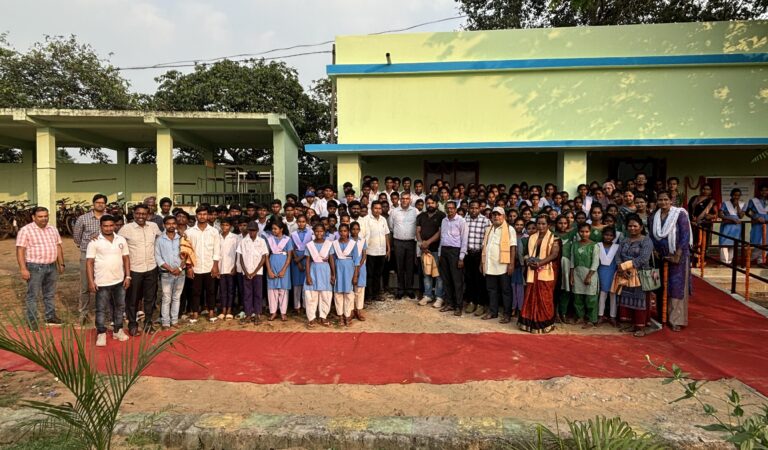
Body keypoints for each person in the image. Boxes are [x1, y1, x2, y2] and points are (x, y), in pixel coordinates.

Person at [650, 191, 692, 332]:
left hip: (677, 257)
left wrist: (678, 254)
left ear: (671, 200)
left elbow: (685, 236)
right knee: (660, 286)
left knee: (676, 287)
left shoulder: (680, 214)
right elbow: (651, 235)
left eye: (665, 199)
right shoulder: (653, 217)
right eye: (660, 200)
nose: (663, 202)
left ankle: (675, 319)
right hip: (659, 257)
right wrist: (654, 251)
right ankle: (662, 316)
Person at [86, 215, 131, 346]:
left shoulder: (121, 239)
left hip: (119, 281)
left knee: (120, 307)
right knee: (100, 309)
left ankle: (118, 330)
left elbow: (126, 258)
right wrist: (90, 281)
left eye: (111, 225)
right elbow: (89, 262)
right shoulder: (94, 242)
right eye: (105, 226)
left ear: (115, 226)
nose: (108, 228)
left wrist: (127, 276)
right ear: (100, 226)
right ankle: (101, 333)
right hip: (102, 282)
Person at [16, 207, 64, 329]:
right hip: (34, 267)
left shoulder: (52, 229)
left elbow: (58, 246)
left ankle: (50, 317)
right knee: (33, 295)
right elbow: (20, 250)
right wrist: (23, 269)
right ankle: (32, 321)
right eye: (40, 216)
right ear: (33, 217)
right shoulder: (26, 230)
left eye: (45, 216)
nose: (44, 219)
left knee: (49, 294)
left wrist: (61, 263)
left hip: (51, 266)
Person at [118, 203, 161, 335]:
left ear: (148, 215)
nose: (141, 216)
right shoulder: (126, 229)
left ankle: (148, 323)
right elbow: (116, 244)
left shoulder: (153, 227)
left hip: (151, 268)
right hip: (134, 269)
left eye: (143, 214)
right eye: (138, 213)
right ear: (134, 214)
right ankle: (132, 324)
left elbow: (162, 240)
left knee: (150, 298)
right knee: (132, 299)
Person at [519, 215, 559, 333]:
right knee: (530, 296)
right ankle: (529, 323)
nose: (541, 226)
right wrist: (527, 261)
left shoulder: (554, 238)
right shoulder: (532, 237)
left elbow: (554, 254)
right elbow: (526, 253)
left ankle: (545, 323)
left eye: (543, 224)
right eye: (539, 224)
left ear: (548, 225)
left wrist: (540, 263)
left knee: (545, 297)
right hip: (532, 270)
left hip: (546, 271)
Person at [616, 214, 655, 337]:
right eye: (630, 226)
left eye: (635, 226)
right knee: (627, 299)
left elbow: (643, 258)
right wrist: (621, 268)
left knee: (640, 300)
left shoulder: (646, 240)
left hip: (640, 274)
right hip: (625, 275)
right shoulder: (624, 240)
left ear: (641, 227)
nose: (632, 228)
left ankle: (640, 327)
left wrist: (628, 266)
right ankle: (631, 324)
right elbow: (618, 256)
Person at [72, 194, 107, 325]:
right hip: (86, 255)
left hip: (105, 255)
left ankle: (102, 312)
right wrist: (87, 245)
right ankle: (83, 312)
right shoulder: (83, 218)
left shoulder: (108, 218)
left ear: (105, 205)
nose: (100, 205)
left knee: (103, 284)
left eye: (102, 203)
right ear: (93, 204)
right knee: (85, 285)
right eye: (97, 202)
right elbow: (76, 236)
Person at [185, 206, 221, 324]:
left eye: (204, 214)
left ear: (208, 216)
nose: (202, 216)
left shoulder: (214, 231)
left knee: (211, 290)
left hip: (209, 265)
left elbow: (217, 250)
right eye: (200, 214)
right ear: (196, 216)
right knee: (195, 291)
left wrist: (215, 265)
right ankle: (195, 312)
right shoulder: (189, 232)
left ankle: (211, 311)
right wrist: (189, 267)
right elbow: (187, 251)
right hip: (195, 267)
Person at [481, 207, 516, 322]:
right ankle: (493, 312)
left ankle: (507, 314)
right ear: (491, 217)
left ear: (504, 216)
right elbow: (484, 247)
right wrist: (482, 263)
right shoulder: (489, 229)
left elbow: (513, 247)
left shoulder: (510, 229)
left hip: (503, 265)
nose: (496, 217)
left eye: (499, 214)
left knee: (505, 290)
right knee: (491, 289)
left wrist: (511, 264)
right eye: (494, 214)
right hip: (490, 264)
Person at [438, 201, 469, 316]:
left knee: (457, 281)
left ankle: (458, 306)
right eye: (448, 208)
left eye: (452, 208)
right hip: (445, 251)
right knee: (446, 279)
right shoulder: (444, 220)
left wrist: (461, 257)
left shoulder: (461, 221)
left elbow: (464, 239)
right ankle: (449, 303)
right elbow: (442, 237)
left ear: (456, 209)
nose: (450, 210)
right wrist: (440, 253)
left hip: (455, 252)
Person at [154, 215, 184, 329]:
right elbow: (158, 257)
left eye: (173, 223)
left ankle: (174, 320)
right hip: (166, 273)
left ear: (176, 225)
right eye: (168, 223)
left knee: (176, 297)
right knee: (166, 298)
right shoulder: (160, 239)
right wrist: (170, 269)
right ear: (164, 225)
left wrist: (180, 268)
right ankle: (166, 322)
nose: (171, 226)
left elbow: (186, 254)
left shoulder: (182, 238)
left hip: (181, 273)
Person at [304, 223, 336, 327]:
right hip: (313, 270)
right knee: (311, 296)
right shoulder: (310, 245)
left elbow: (331, 259)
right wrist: (308, 276)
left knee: (325, 295)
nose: (319, 233)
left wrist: (333, 274)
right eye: (317, 231)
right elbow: (308, 261)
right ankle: (311, 318)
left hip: (325, 271)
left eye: (321, 231)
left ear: (324, 232)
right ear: (313, 232)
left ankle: (323, 316)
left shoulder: (328, 244)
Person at [416, 196, 445, 307]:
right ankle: (428, 295)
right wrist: (421, 244)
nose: (430, 205)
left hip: (436, 249)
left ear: (437, 204)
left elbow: (440, 232)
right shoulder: (421, 216)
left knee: (438, 275)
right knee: (426, 274)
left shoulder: (441, 216)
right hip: (424, 250)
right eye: (428, 203)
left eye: (432, 203)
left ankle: (439, 297)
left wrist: (428, 242)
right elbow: (418, 231)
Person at [389, 192, 418, 299]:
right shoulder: (394, 211)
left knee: (410, 266)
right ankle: (400, 289)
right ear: (400, 200)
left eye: (407, 198)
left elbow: (418, 226)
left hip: (411, 242)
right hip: (398, 242)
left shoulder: (415, 211)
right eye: (403, 198)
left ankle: (409, 289)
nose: (405, 200)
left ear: (410, 200)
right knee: (399, 266)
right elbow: (391, 227)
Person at [238, 221, 268, 324]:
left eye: (254, 231)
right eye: (250, 230)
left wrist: (255, 272)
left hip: (258, 273)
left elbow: (263, 257)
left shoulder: (262, 241)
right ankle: (248, 314)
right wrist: (246, 271)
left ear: (257, 231)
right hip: (246, 272)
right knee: (247, 294)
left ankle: (258, 315)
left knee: (258, 294)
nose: (252, 233)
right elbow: (241, 258)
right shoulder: (243, 241)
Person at [464, 200, 491, 316]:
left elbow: (488, 240)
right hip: (468, 254)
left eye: (476, 208)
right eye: (471, 208)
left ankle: (481, 304)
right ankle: (471, 302)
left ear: (480, 208)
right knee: (469, 279)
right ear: (468, 209)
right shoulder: (465, 220)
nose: (473, 210)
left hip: (479, 254)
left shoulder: (486, 221)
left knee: (480, 280)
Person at [571, 223, 600, 328]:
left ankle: (592, 320)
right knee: (578, 297)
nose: (584, 234)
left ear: (590, 232)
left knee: (590, 297)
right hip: (577, 273)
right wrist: (571, 275)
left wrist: (589, 276)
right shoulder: (575, 244)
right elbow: (572, 261)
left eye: (587, 232)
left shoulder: (594, 245)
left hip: (590, 274)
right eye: (582, 231)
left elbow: (595, 262)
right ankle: (580, 317)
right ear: (578, 232)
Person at [362, 201, 390, 301]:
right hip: (370, 251)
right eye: (375, 208)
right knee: (370, 274)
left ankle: (376, 294)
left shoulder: (383, 219)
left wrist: (388, 248)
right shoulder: (366, 220)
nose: (377, 210)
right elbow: (363, 236)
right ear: (371, 209)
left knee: (378, 274)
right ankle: (369, 295)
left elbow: (386, 234)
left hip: (381, 251)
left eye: (379, 208)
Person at [265, 220, 294, 321]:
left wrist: (284, 270)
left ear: (281, 229)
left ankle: (283, 312)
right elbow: (266, 256)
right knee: (272, 290)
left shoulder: (287, 240)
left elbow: (289, 256)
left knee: (283, 290)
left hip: (283, 267)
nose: (273, 231)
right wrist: (269, 270)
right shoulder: (269, 239)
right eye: (272, 229)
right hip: (272, 266)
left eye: (275, 229)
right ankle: (273, 312)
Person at [333, 223, 357, 326]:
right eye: (341, 231)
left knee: (348, 293)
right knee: (338, 293)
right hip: (338, 268)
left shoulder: (352, 244)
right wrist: (332, 274)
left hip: (349, 269)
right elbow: (332, 259)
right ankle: (340, 316)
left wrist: (355, 275)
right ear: (338, 232)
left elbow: (356, 260)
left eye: (345, 231)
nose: (343, 233)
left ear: (348, 232)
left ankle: (347, 315)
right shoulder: (334, 244)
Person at [687, 184, 717, 267]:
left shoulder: (711, 201)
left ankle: (700, 261)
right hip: (691, 224)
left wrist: (709, 216)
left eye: (707, 189)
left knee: (702, 243)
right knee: (691, 242)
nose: (705, 191)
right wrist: (690, 219)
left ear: (710, 191)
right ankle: (691, 260)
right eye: (704, 189)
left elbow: (715, 215)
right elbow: (689, 209)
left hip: (704, 225)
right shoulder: (694, 198)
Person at [553, 215, 575, 323]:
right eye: (560, 223)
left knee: (566, 290)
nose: (562, 225)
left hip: (567, 265)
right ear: (556, 224)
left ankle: (563, 313)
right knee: (555, 289)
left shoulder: (571, 235)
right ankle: (555, 313)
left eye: (565, 223)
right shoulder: (552, 235)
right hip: (555, 266)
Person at [597, 226, 619, 326]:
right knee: (602, 294)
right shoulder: (598, 245)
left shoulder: (617, 247)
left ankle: (613, 316)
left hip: (613, 272)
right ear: (602, 235)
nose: (608, 237)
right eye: (606, 235)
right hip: (601, 272)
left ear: (614, 237)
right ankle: (600, 315)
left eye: (611, 235)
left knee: (613, 294)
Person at [218, 218, 240, 320]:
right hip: (220, 267)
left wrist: (235, 266)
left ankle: (230, 310)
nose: (224, 227)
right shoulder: (217, 237)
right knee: (222, 290)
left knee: (231, 290)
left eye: (227, 225)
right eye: (223, 225)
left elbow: (237, 254)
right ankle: (223, 309)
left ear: (230, 226)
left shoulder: (235, 238)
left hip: (231, 267)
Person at [290, 215, 312, 314]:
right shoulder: (293, 234)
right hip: (296, 259)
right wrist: (297, 260)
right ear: (296, 222)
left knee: (305, 283)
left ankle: (305, 305)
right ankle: (296, 305)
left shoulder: (311, 233)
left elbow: (311, 247)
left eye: (303, 221)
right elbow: (292, 248)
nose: (301, 223)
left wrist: (302, 258)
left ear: (306, 222)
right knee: (296, 284)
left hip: (307, 257)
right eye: (299, 221)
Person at [718, 188, 745, 265]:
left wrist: (738, 206)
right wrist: (731, 219)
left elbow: (741, 216)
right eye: (735, 195)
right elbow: (720, 214)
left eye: (738, 195)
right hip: (727, 225)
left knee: (733, 244)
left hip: (736, 227)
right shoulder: (725, 203)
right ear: (731, 195)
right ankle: (724, 261)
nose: (736, 197)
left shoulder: (742, 204)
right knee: (724, 243)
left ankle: (729, 261)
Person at [747, 184, 768, 265]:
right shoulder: (753, 201)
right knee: (757, 243)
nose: (764, 192)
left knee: (766, 243)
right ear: (759, 191)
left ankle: (761, 261)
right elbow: (748, 211)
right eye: (762, 190)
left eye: (766, 190)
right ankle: (750, 259)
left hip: (767, 225)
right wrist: (756, 217)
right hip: (757, 225)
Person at [351, 221, 367, 321]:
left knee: (360, 289)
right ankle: (351, 310)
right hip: (349, 267)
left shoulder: (362, 241)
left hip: (361, 266)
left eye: (357, 229)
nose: (355, 231)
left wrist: (359, 265)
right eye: (353, 229)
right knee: (351, 289)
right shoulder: (347, 240)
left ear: (359, 230)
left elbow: (364, 254)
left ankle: (359, 310)